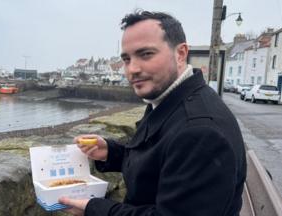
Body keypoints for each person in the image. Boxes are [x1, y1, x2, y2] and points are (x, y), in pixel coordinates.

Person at [59, 10, 246, 216]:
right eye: (126, 59)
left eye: (146, 54)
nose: (132, 69)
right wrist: (112, 152)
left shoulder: (200, 132)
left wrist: (94, 208)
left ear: (181, 53)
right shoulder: (170, 99)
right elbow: (161, 158)